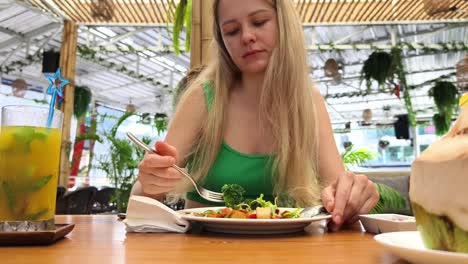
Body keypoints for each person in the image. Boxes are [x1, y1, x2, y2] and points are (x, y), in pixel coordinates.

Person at [132, 0, 379, 231]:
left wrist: (352, 196)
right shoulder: (203, 98)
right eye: (231, 31)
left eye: (259, 22)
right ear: (222, 41)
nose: (247, 36)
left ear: (284, 23)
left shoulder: (309, 101)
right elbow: (142, 198)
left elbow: (339, 199)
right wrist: (151, 183)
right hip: (203, 250)